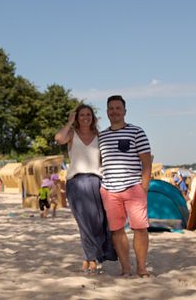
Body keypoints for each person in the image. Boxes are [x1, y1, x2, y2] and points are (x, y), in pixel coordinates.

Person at [55, 104, 117, 275]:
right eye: (81, 115)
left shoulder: (100, 135)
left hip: (96, 182)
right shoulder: (71, 134)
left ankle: (89, 256)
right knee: (84, 222)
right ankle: (90, 258)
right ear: (77, 117)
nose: (85, 117)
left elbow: (106, 160)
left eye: (88, 114)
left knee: (97, 221)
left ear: (93, 117)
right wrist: (69, 121)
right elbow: (58, 138)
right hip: (76, 183)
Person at [98, 95, 153, 278]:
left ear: (124, 111)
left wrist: (143, 187)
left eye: (118, 108)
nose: (114, 111)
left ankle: (142, 268)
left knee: (140, 228)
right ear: (107, 112)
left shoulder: (137, 132)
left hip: (133, 188)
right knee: (117, 230)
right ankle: (126, 269)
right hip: (110, 191)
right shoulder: (102, 136)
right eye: (111, 108)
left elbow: (146, 162)